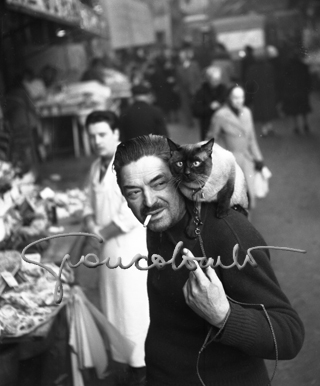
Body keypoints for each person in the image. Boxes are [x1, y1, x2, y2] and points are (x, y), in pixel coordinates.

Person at [112, 134, 304, 386]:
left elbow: (290, 334)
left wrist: (224, 316)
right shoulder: (158, 222)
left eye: (159, 183)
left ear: (178, 178)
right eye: (134, 192)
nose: (148, 201)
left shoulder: (228, 233)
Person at [82, 111, 149, 386]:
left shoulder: (127, 165)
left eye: (102, 135)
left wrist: (99, 234)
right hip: (106, 253)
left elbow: (129, 213)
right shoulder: (95, 167)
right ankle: (125, 366)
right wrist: (91, 224)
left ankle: (142, 370)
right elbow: (87, 203)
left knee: (132, 314)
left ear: (116, 135)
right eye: (92, 136)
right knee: (114, 312)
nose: (96, 141)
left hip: (128, 254)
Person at [206, 84, 264, 209]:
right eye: (236, 98)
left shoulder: (247, 112)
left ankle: (247, 224)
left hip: (247, 160)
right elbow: (210, 140)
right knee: (235, 200)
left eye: (242, 97)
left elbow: (251, 138)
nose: (240, 101)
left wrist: (258, 158)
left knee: (249, 197)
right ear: (229, 98)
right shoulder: (220, 115)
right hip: (230, 163)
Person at [192, 65, 227, 140]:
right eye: (214, 79)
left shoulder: (224, 90)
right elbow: (196, 111)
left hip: (223, 127)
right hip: (207, 127)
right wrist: (210, 108)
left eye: (218, 79)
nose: (217, 81)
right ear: (208, 79)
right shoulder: (201, 92)